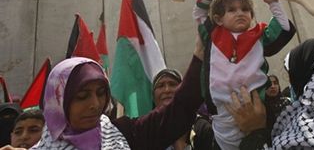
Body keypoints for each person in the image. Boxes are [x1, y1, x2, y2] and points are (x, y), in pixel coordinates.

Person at [30, 53, 203, 150]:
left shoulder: (123, 134)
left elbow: (179, 109)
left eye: (101, 93)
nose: (95, 104)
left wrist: (201, 53)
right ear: (58, 102)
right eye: (82, 96)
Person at [193, 0, 296, 149]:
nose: (240, 13)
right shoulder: (212, 35)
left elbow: (284, 27)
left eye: (245, 9)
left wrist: (273, 3)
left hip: (255, 108)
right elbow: (199, 13)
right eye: (232, 10)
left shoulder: (259, 37)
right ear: (218, 19)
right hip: (222, 111)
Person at [152, 68, 191, 150]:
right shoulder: (145, 132)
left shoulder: (200, 128)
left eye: (172, 84)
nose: (167, 90)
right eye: (161, 86)